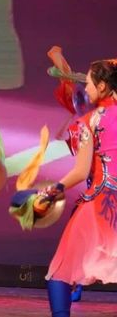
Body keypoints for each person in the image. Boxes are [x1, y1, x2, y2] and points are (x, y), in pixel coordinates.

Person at [44, 59, 117, 317]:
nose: (85, 89)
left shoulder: (90, 121)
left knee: (59, 272)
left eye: (88, 84)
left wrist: (51, 191)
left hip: (99, 205)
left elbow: (80, 172)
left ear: (102, 86)